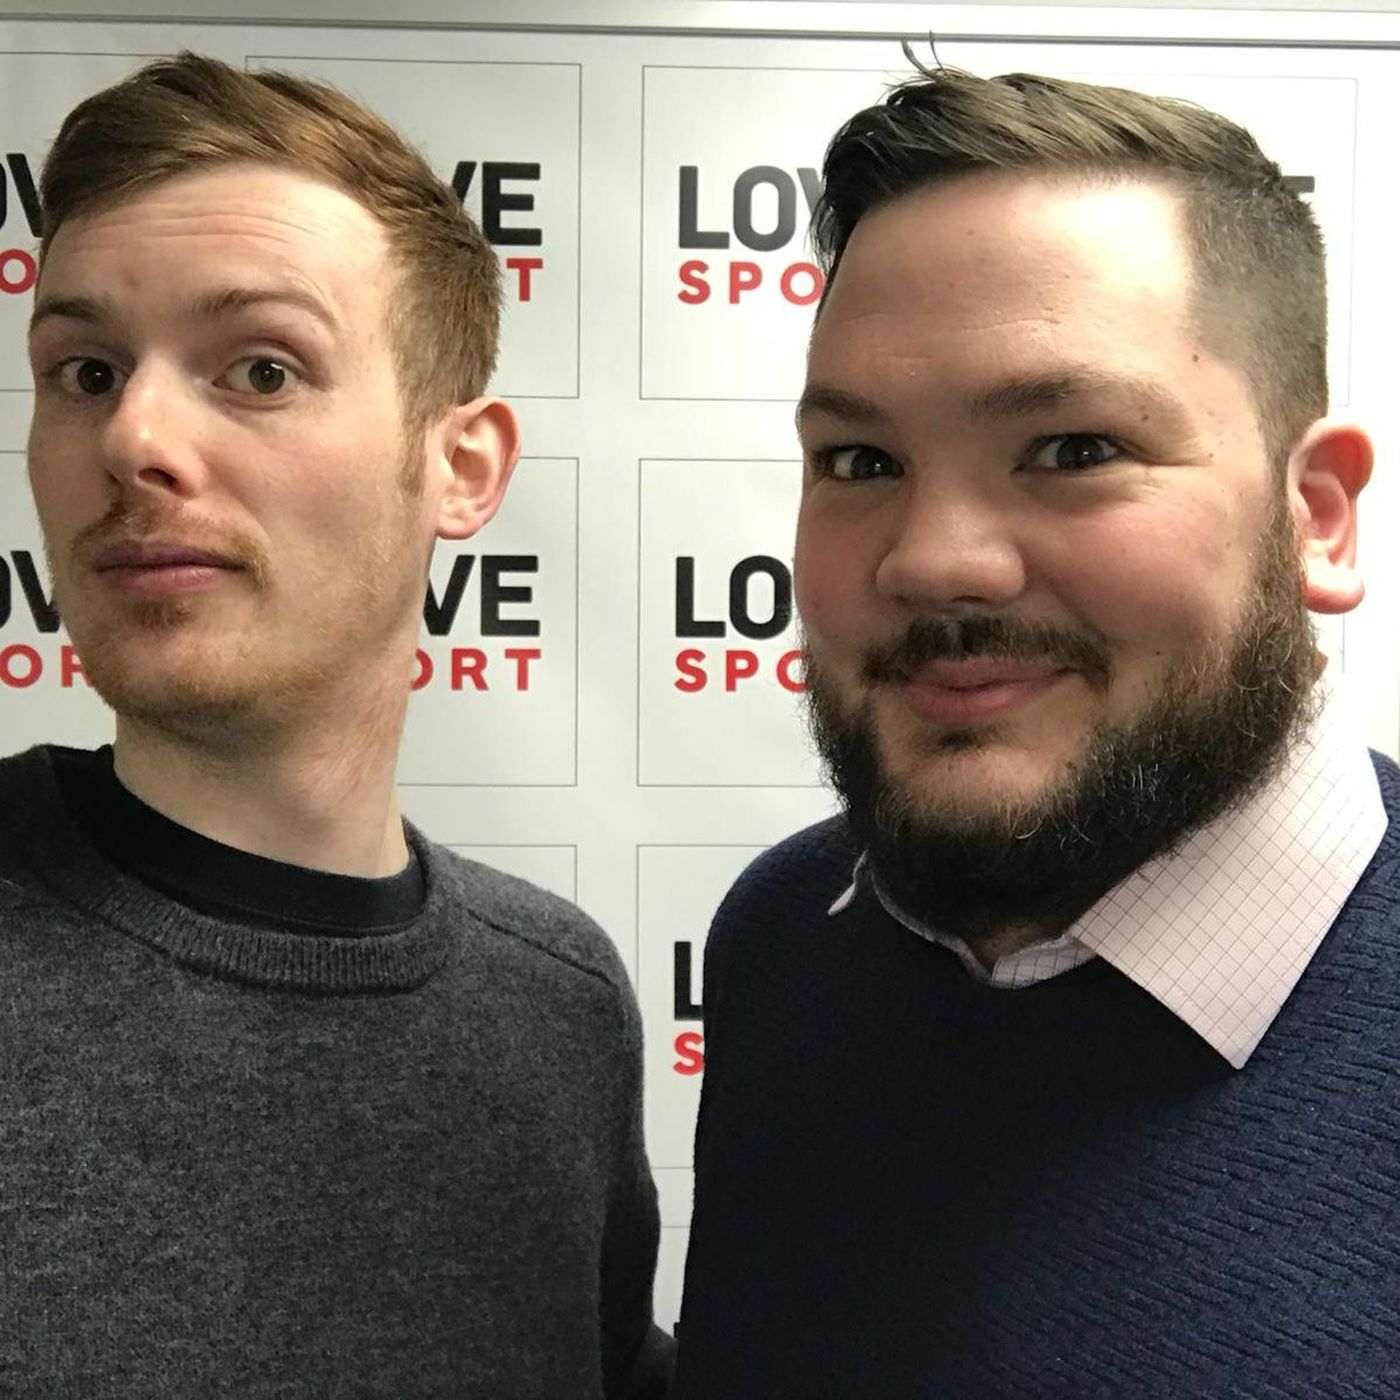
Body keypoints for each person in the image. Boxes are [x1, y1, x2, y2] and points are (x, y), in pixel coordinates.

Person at [674, 65, 1399, 1397]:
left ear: (1319, 515)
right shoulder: (785, 942)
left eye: (1072, 449)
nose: (934, 561)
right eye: (862, 463)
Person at [0, 53, 670, 1397]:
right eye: (85, 371)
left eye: (260, 368)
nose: (133, 436)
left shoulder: (558, 1005)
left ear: (459, 467)